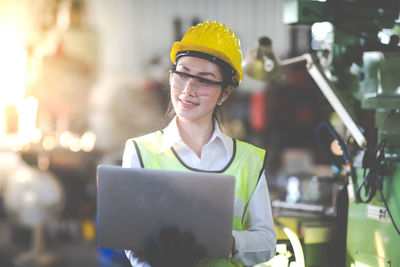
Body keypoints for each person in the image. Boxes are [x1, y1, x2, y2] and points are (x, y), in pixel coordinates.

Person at [122, 20, 276, 267]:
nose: (188, 89)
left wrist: (230, 242)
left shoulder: (248, 160)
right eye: (182, 74)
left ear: (224, 93)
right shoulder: (141, 151)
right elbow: (131, 244)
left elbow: (267, 243)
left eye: (204, 80)